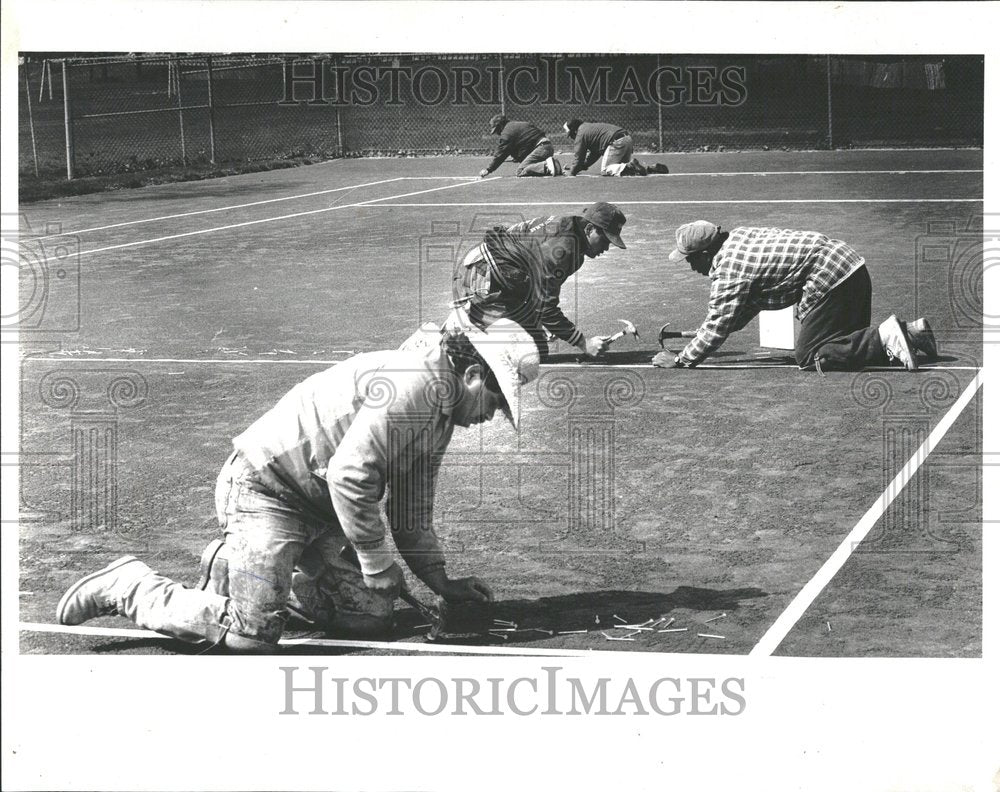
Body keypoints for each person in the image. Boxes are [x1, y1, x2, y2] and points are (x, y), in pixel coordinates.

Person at [56, 320, 541, 652]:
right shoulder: (416, 383)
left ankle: (241, 568)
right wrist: (374, 559)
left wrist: (443, 584)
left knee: (369, 617)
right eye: (496, 402)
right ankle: (130, 586)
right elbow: (352, 474)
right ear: (474, 374)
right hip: (264, 491)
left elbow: (411, 515)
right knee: (251, 634)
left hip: (319, 510)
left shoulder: (439, 414)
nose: (493, 416)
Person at [653, 220, 938, 372]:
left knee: (811, 355)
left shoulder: (729, 271)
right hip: (852, 267)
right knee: (844, 348)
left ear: (705, 253)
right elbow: (737, 316)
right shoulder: (739, 238)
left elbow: (719, 325)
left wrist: (681, 360)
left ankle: (888, 335)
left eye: (690, 260)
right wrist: (703, 333)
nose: (690, 266)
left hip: (833, 279)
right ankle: (912, 333)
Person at [447, 201, 628, 359]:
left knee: (534, 351)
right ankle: (457, 334)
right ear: (589, 229)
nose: (606, 247)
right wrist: (583, 343)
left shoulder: (573, 237)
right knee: (503, 351)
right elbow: (545, 306)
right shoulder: (563, 249)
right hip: (482, 275)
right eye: (605, 239)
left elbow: (540, 291)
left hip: (507, 279)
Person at [563, 118, 669, 177]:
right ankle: (649, 168)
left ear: (574, 130)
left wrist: (572, 172)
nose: (572, 137)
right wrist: (583, 166)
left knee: (605, 170)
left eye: (571, 134)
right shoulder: (588, 128)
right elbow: (594, 154)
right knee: (622, 170)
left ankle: (631, 165)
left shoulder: (581, 134)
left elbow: (578, 158)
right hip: (626, 139)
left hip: (615, 142)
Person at [478, 115, 562, 178]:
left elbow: (501, 154)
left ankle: (547, 165)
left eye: (496, 130)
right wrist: (519, 157)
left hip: (540, 149)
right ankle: (553, 166)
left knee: (520, 171)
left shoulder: (507, 133)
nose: (497, 133)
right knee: (528, 165)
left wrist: (489, 169)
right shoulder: (518, 125)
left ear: (500, 126)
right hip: (547, 146)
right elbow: (528, 143)